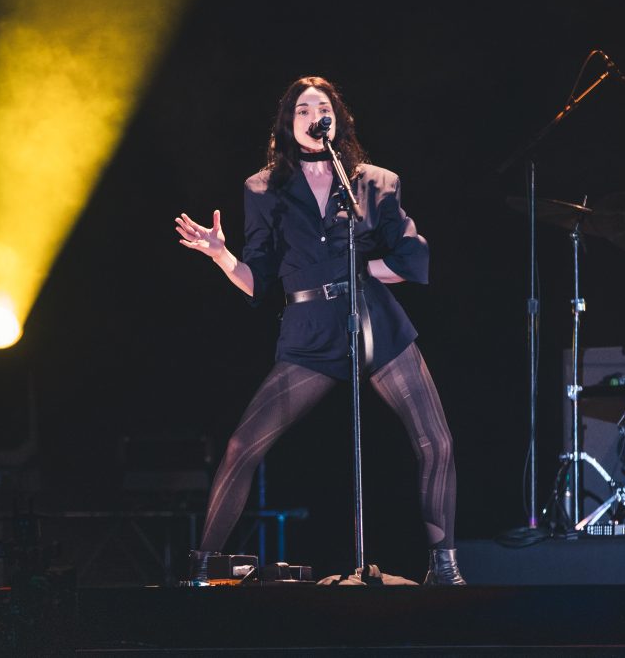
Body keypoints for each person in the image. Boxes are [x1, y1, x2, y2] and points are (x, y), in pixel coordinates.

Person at [174, 76, 464, 585]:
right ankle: (201, 568)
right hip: (309, 331)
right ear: (289, 123)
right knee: (244, 445)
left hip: (375, 319)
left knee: (435, 441)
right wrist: (220, 254)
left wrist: (358, 274)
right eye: (301, 109)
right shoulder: (263, 189)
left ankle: (445, 567)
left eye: (321, 107)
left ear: (337, 119)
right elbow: (257, 280)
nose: (312, 116)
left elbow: (412, 260)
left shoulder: (375, 183)